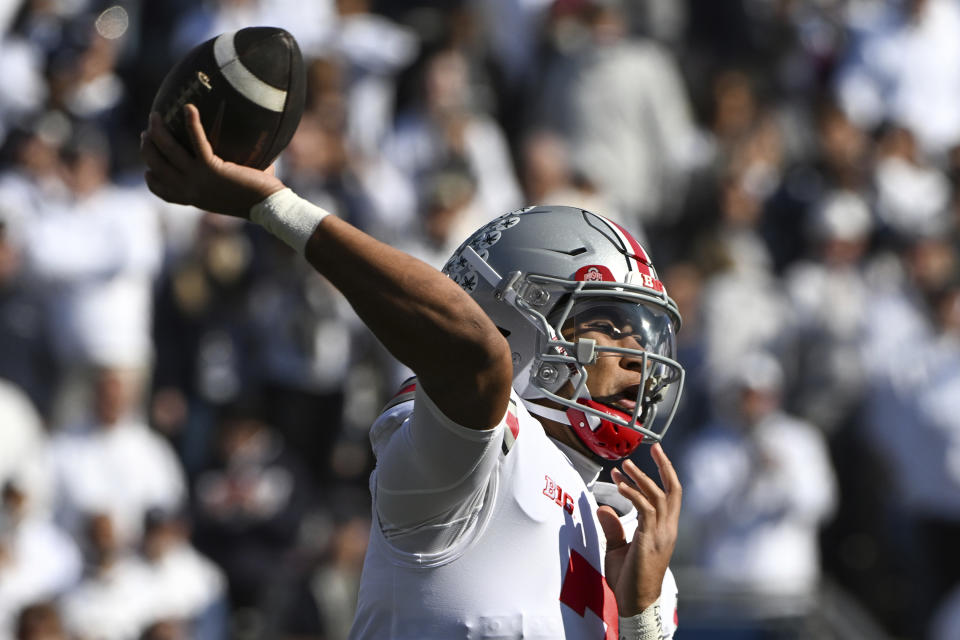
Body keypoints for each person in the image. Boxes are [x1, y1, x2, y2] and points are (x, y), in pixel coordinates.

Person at [140, 104, 685, 639]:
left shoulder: (626, 527)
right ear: (513, 321)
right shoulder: (481, 457)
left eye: (641, 335)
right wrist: (277, 207)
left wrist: (637, 617)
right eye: (609, 327)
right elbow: (474, 357)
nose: (637, 356)